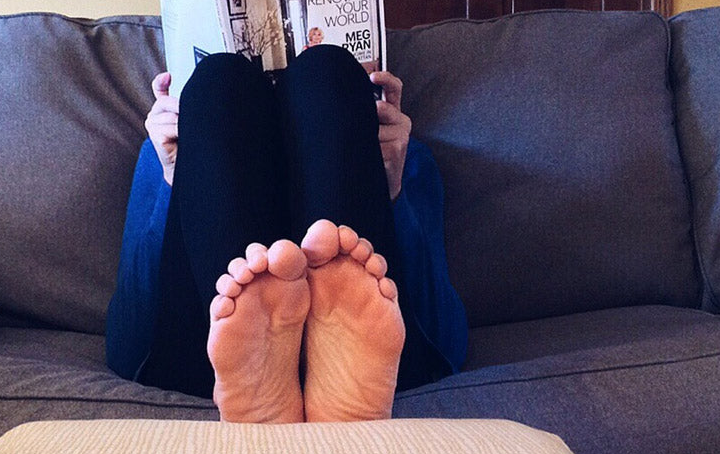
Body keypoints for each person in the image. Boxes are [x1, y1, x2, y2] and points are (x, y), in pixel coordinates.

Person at [105, 37, 468, 424]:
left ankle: (328, 368)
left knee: (327, 69)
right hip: (198, 358)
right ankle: (254, 365)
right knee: (218, 81)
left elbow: (446, 343)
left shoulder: (402, 151)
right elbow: (130, 345)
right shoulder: (158, 153)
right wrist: (177, 177)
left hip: (379, 364)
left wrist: (389, 187)